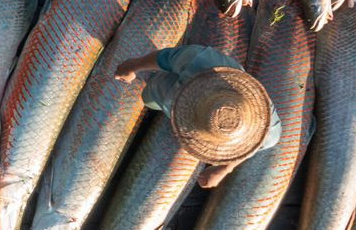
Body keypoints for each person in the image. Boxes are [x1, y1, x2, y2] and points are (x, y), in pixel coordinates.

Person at [116, 44, 279, 187]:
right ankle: (154, 93)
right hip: (176, 86)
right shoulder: (199, 60)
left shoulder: (269, 129)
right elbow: (161, 58)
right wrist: (133, 66)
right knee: (151, 94)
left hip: (194, 103)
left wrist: (225, 168)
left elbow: (258, 144)